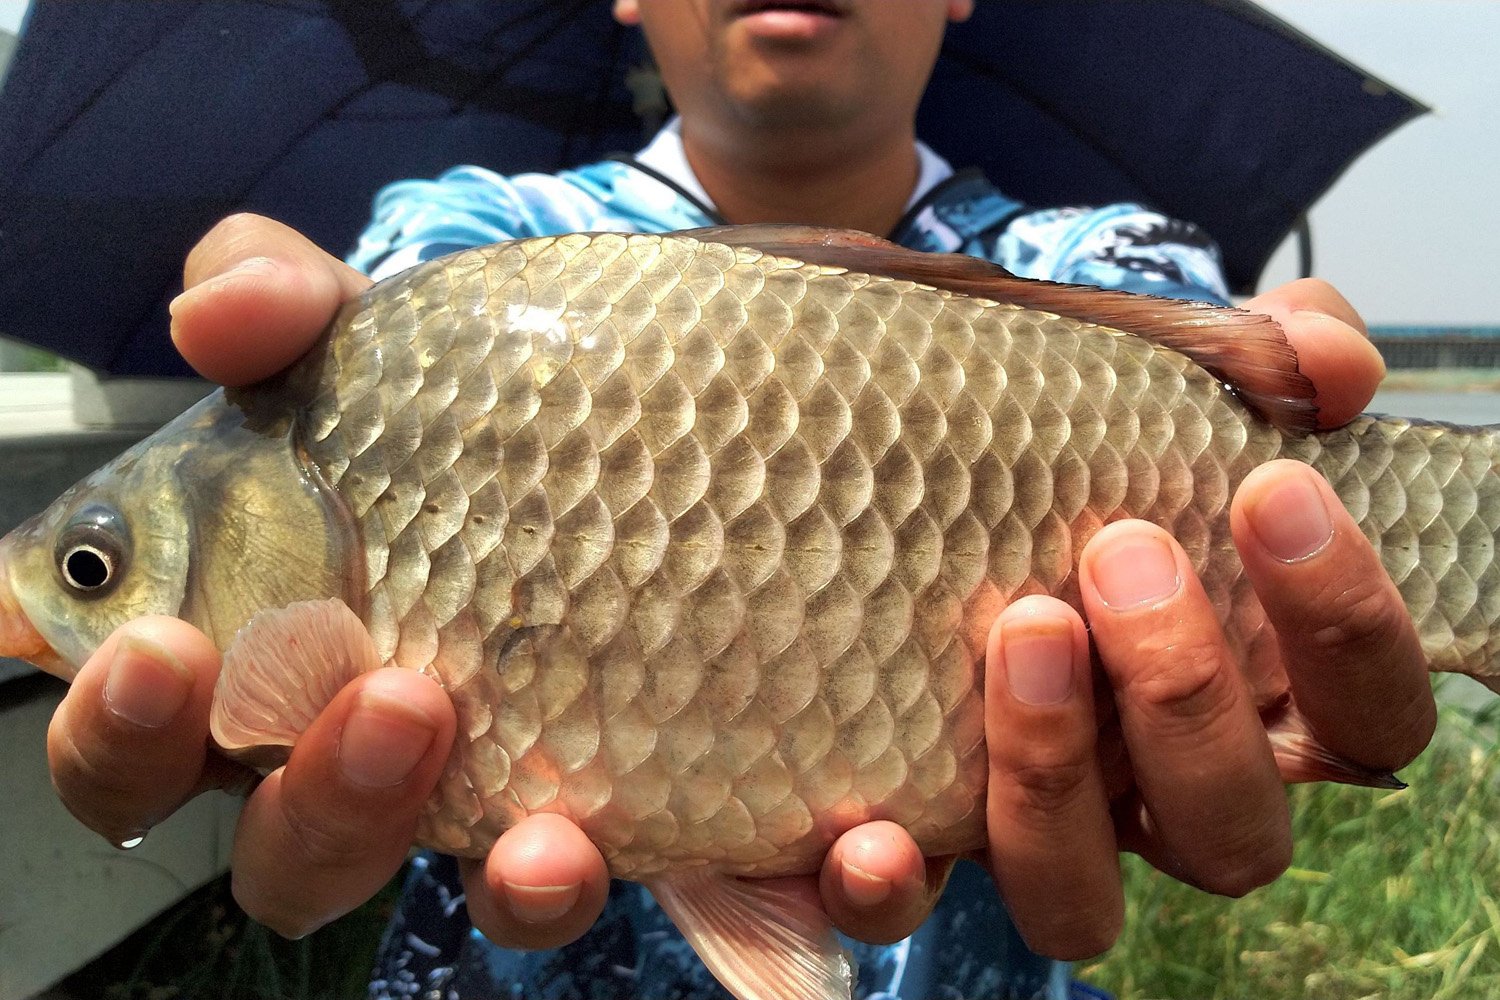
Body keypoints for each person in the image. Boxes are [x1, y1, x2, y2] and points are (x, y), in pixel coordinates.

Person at [46, 2, 1436, 997]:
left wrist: (1314, 592)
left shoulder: (1108, 264)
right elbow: (353, 292)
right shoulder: (447, 264)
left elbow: (1248, 363)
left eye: (92, 569)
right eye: (93, 570)